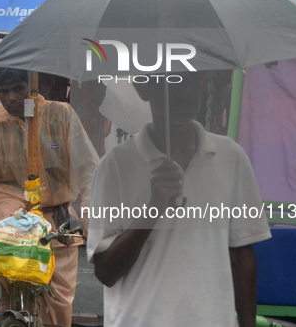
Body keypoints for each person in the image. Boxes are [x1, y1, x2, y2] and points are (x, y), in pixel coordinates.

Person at [86, 72, 271, 327]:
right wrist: (154, 206)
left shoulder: (231, 158)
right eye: (171, 81)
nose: (184, 91)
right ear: (143, 88)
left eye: (191, 79)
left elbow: (242, 256)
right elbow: (106, 272)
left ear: (203, 83)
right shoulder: (115, 168)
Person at [0, 67, 99, 327]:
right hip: (11, 207)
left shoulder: (60, 115)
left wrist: (90, 214)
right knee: (10, 224)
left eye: (18, 89)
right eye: (4, 92)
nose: (11, 98)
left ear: (32, 87)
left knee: (60, 305)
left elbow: (89, 171)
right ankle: (9, 301)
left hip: (57, 214)